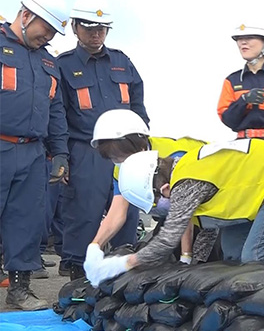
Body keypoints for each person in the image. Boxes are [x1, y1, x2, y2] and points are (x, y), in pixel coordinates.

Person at [84, 138, 264, 286]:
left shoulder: (185, 182)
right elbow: (208, 227)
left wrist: (121, 264)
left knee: (257, 258)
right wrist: (191, 262)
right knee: (233, 254)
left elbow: (167, 241)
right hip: (259, 190)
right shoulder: (183, 167)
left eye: (157, 199)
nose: (162, 204)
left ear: (164, 188)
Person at [56, 0, 148, 280]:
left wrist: (144, 146)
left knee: (128, 211)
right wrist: (62, 156)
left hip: (128, 151)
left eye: (101, 28)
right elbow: (58, 114)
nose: (96, 34)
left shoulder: (122, 62)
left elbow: (138, 105)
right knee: (83, 211)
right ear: (74, 27)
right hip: (85, 150)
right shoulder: (63, 65)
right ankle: (77, 272)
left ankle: (121, 271)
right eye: (89, 28)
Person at [1, 0, 70, 310]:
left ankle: (19, 289)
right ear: (26, 16)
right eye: (48, 28)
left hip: (32, 153)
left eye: (55, 32)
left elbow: (56, 110)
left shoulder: (48, 62)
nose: (50, 37)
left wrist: (60, 153)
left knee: (26, 221)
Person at [88, 109, 209, 263]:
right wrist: (95, 246)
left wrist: (186, 256)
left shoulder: (174, 157)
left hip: (211, 214)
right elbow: (116, 213)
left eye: (123, 157)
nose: (121, 163)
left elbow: (185, 211)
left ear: (141, 147)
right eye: (114, 158)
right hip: (175, 218)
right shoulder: (122, 169)